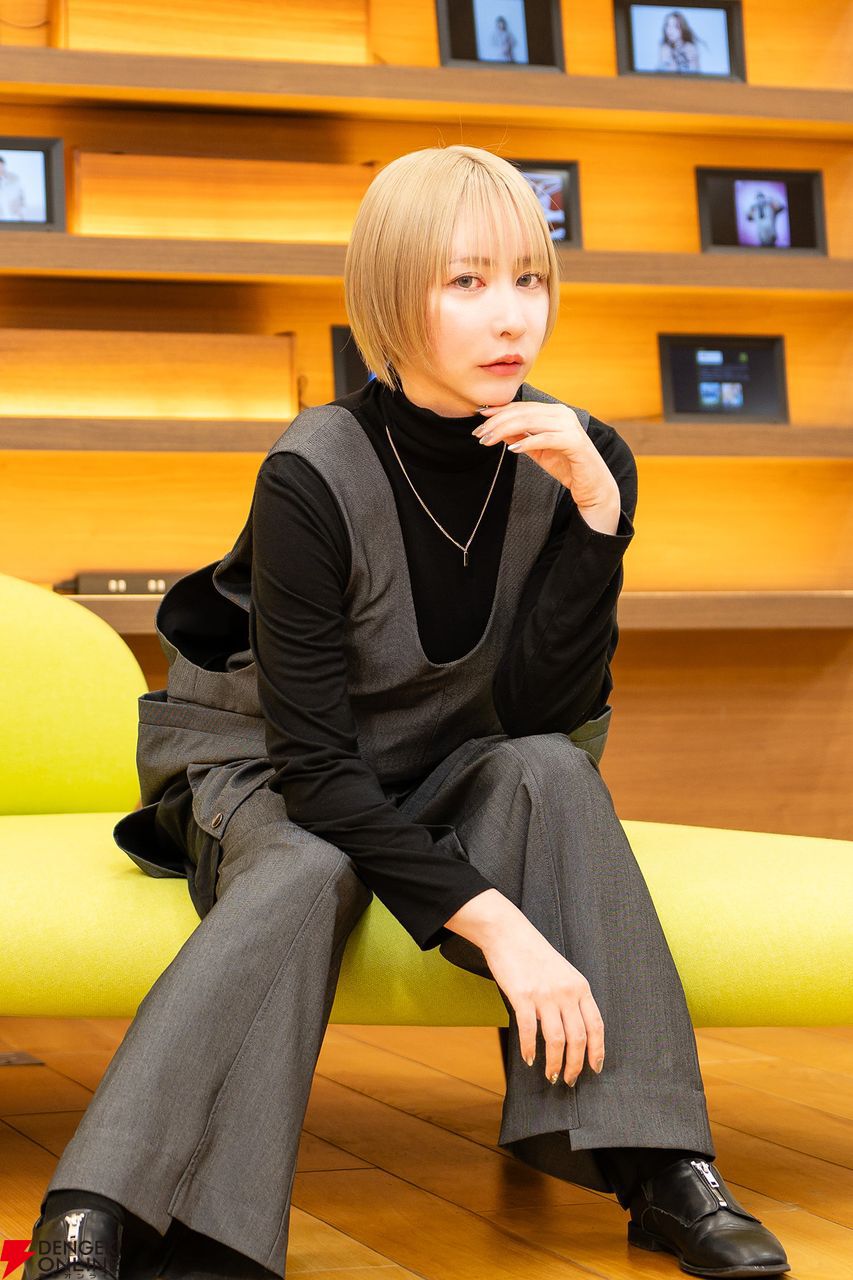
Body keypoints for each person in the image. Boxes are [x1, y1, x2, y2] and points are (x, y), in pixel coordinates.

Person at [24, 144, 790, 1280]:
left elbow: (541, 713)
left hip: (450, 756)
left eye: (528, 279)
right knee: (306, 865)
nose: (510, 315)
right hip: (275, 763)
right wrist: (501, 927)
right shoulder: (310, 471)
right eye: (466, 281)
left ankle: (664, 1164)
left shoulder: (578, 457)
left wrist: (596, 518)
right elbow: (317, 770)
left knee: (551, 771)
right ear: (392, 294)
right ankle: (102, 1207)